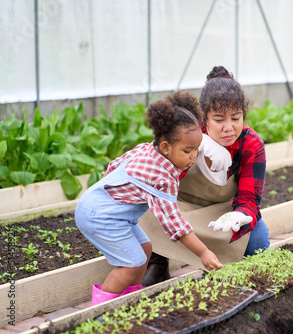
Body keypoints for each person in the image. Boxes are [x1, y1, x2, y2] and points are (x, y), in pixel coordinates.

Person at [75, 91, 222, 306]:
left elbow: (113, 167)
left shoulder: (146, 149)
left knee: (144, 249)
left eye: (196, 150)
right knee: (132, 263)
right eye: (188, 150)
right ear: (166, 147)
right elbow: (174, 224)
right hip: (100, 216)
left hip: (104, 210)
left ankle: (129, 301)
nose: (194, 156)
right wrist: (203, 252)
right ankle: (98, 314)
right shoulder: (162, 177)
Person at [141, 66, 270, 286]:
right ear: (205, 119)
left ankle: (219, 267)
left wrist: (240, 215)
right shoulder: (187, 134)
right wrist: (199, 146)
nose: (229, 128)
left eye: (236, 118)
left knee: (257, 239)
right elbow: (154, 175)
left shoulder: (251, 145)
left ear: (243, 116)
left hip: (219, 214)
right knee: (142, 208)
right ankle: (157, 262)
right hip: (180, 207)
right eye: (219, 120)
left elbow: (250, 200)